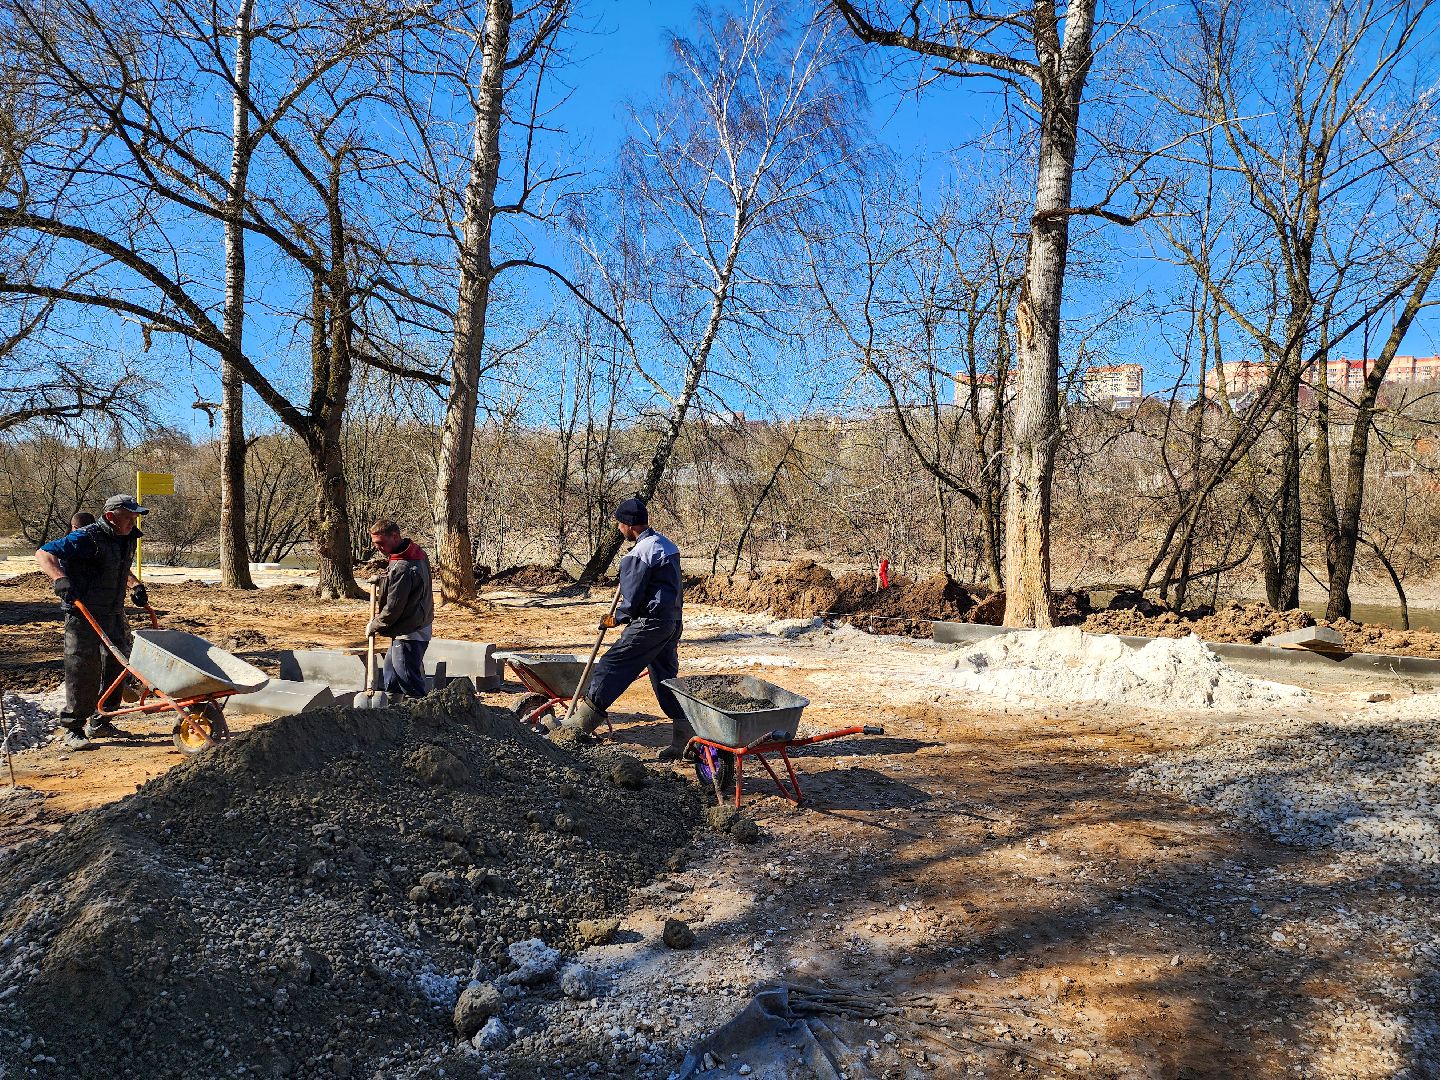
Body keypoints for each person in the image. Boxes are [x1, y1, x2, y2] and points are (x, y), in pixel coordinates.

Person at [570, 496, 688, 760]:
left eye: (619, 524)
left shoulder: (638, 555)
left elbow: (632, 601)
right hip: (671, 622)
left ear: (628, 524)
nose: (618, 529)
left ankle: (578, 727)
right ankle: (684, 741)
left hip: (650, 624)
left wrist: (615, 618)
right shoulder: (667, 545)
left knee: (612, 665)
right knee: (667, 682)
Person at [35, 495, 149, 749]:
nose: (133, 522)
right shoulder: (86, 537)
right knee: (83, 667)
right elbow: (43, 553)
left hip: (112, 611)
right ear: (110, 517)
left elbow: (117, 566)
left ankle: (102, 719)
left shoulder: (125, 537)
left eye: (135, 517)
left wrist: (135, 585)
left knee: (118, 664)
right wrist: (59, 579)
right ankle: (74, 727)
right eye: (129, 517)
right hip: (82, 612)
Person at [366, 520, 434, 699]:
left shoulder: (403, 566)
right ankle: (393, 715)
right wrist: (381, 579)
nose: (378, 548)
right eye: (375, 544)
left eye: (380, 543)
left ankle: (420, 719)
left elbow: (393, 608)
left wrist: (375, 625)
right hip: (417, 621)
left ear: (395, 537)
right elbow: (406, 585)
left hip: (410, 631)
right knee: (391, 677)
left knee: (408, 681)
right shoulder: (415, 552)